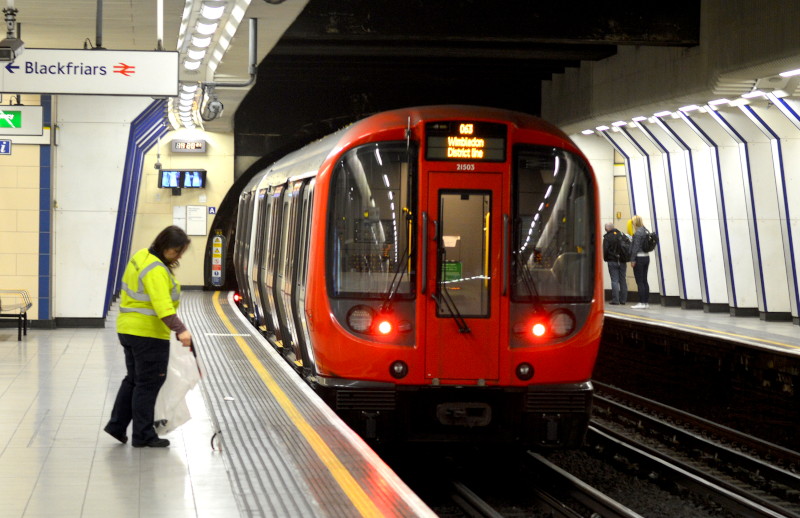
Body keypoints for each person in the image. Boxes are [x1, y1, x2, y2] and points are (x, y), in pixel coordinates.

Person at [104, 226, 193, 447]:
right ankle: (142, 435)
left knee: (134, 380)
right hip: (148, 334)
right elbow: (163, 307)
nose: (179, 255)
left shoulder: (141, 255)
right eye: (176, 251)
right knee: (148, 383)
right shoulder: (156, 270)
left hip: (127, 329)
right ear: (164, 246)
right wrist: (181, 330)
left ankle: (116, 426)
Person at [602, 222, 628, 305]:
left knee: (614, 280)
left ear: (607, 228)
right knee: (622, 280)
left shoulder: (607, 237)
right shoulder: (622, 235)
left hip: (612, 261)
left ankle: (615, 300)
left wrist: (606, 259)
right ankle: (623, 300)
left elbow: (605, 250)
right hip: (622, 261)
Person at [629, 215, 650, 309]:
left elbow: (635, 247)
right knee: (645, 280)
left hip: (639, 258)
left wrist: (632, 260)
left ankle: (641, 302)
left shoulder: (638, 233)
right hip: (646, 257)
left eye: (633, 222)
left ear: (635, 222)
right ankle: (646, 302)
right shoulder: (646, 231)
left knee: (639, 281)